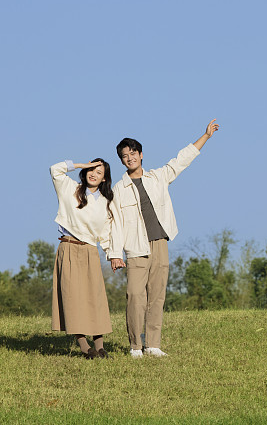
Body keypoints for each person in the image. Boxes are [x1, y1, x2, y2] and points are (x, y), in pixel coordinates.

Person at [109, 119, 220, 357]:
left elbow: (181, 160)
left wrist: (206, 136)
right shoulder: (119, 189)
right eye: (125, 156)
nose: (130, 158)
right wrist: (114, 254)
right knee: (135, 296)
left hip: (160, 242)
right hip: (135, 248)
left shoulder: (157, 177)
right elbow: (115, 223)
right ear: (121, 161)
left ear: (141, 155)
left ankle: (153, 344)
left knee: (157, 295)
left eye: (133, 153)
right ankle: (135, 346)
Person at [50, 158, 114, 359]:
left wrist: (113, 256)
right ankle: (85, 348)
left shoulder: (105, 202)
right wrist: (79, 164)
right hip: (68, 247)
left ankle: (100, 347)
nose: (93, 173)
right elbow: (55, 169)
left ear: (104, 179)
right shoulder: (70, 188)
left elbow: (105, 233)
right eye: (91, 169)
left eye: (99, 171)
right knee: (73, 299)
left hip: (89, 251)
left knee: (94, 298)